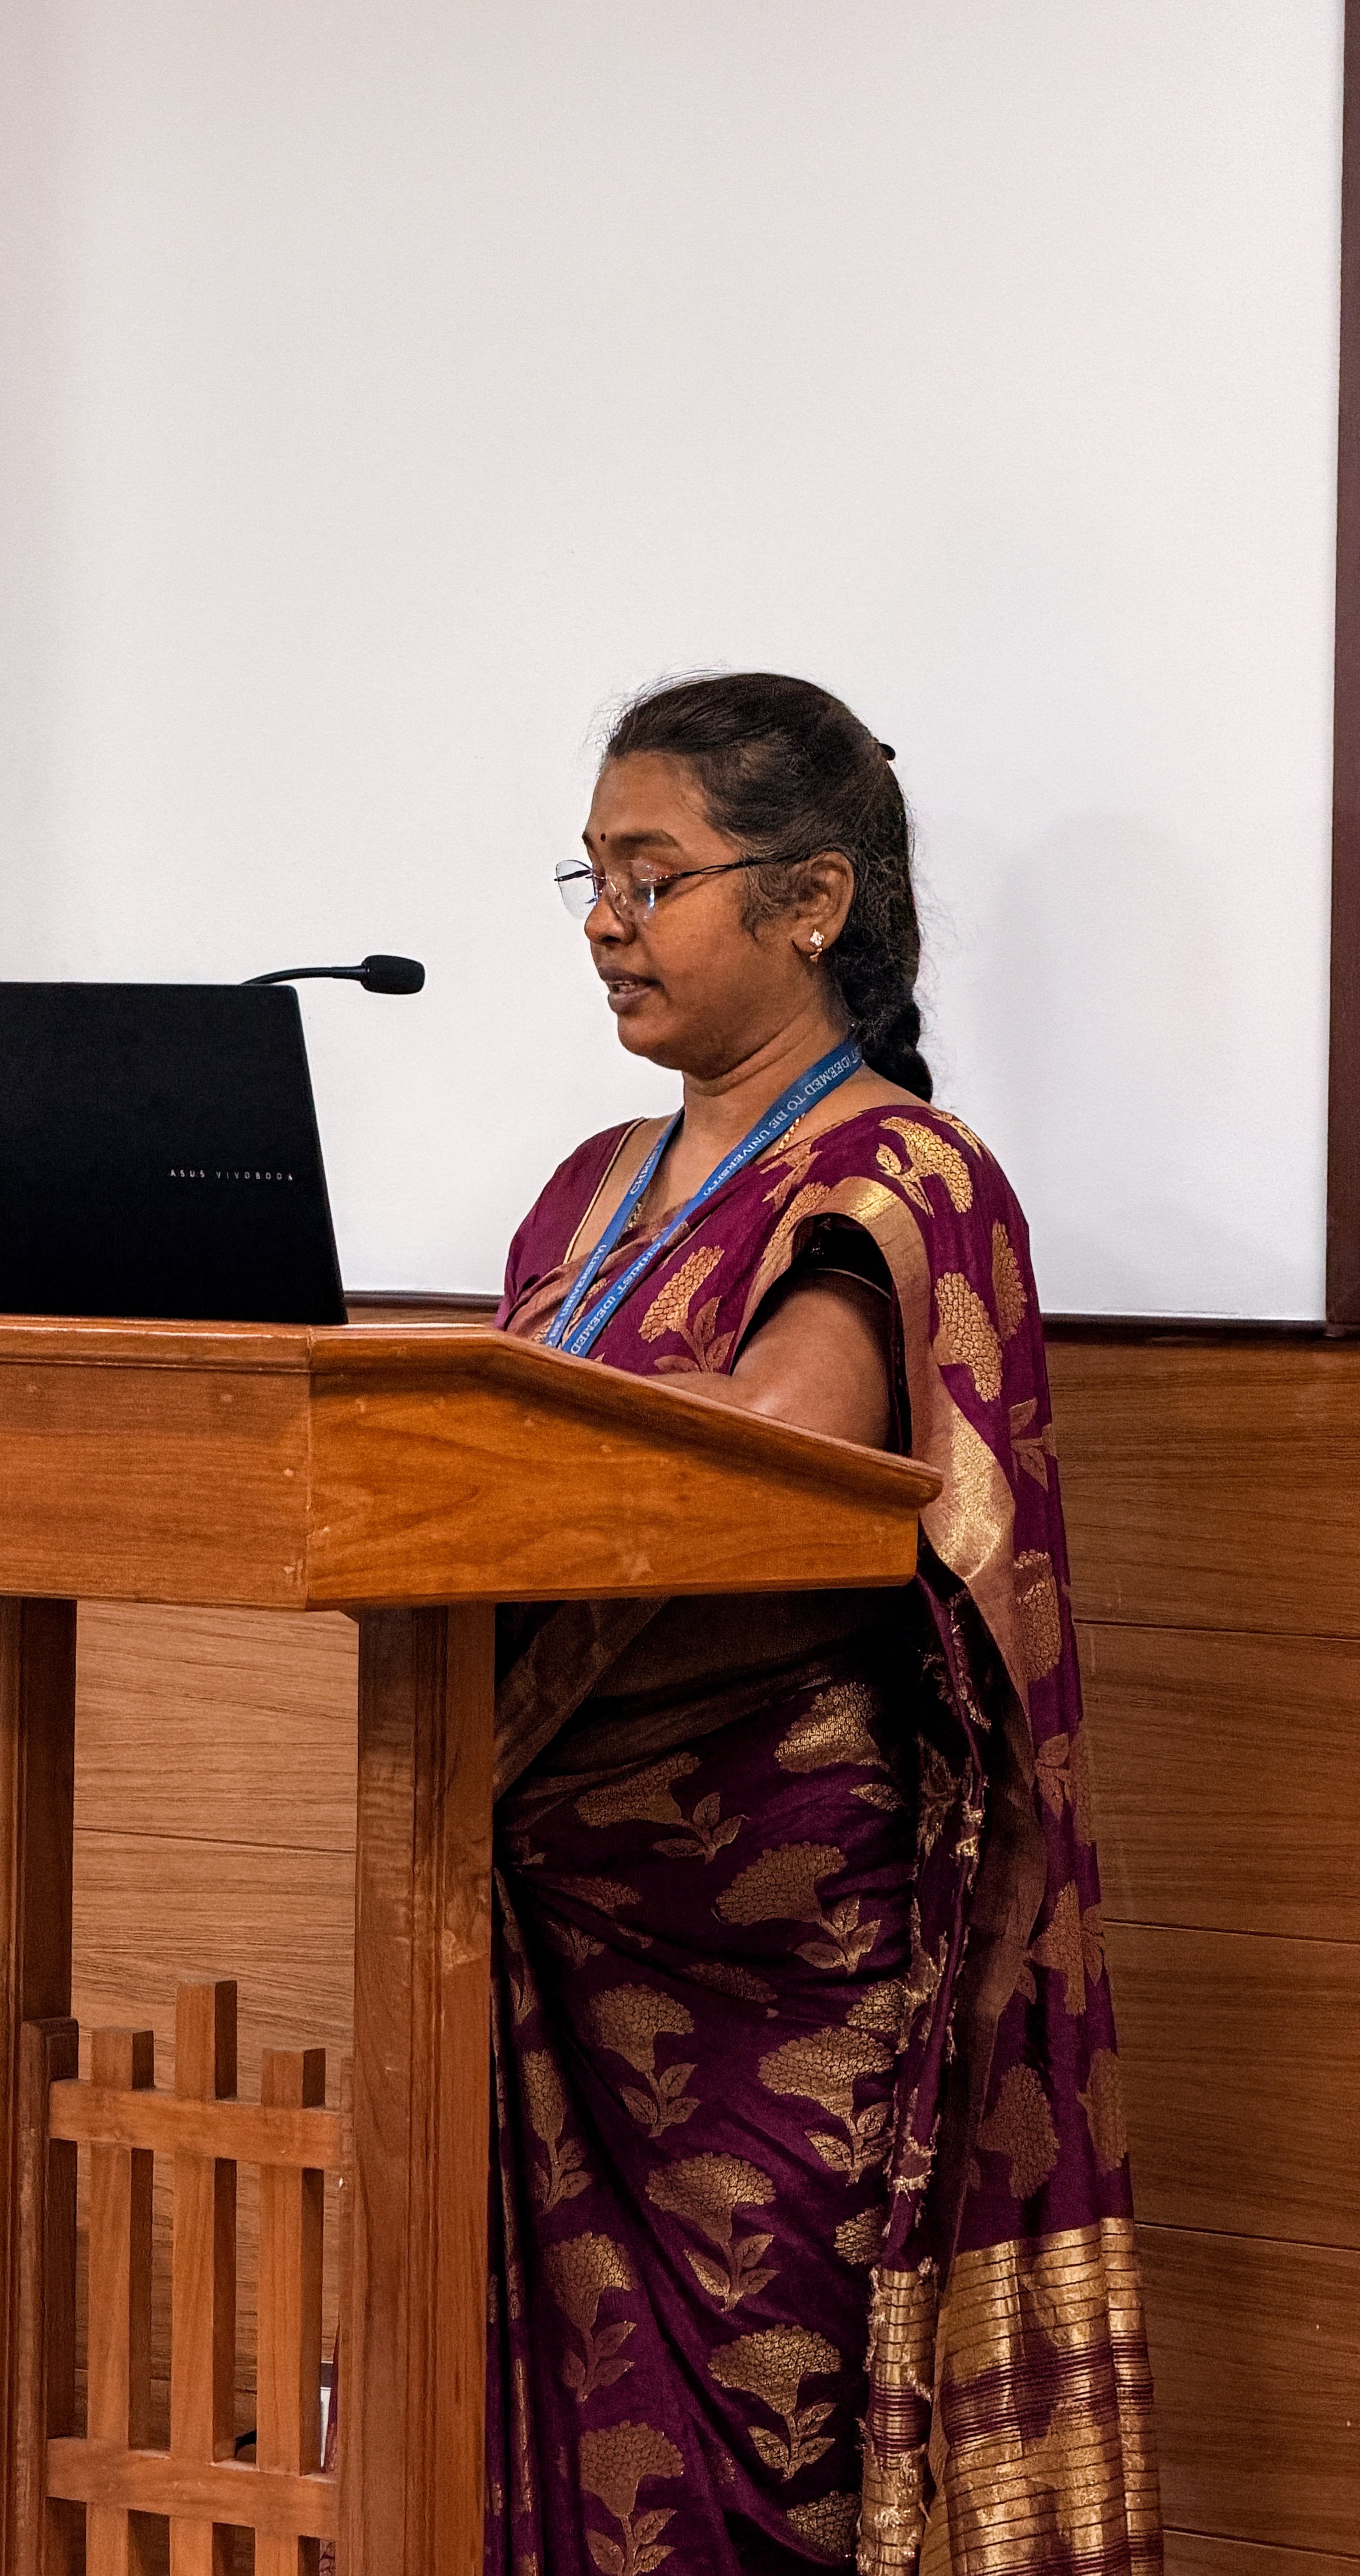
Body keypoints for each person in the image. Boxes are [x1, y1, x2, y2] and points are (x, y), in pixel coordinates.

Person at [486, 675, 1158, 2576]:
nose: (609, 919)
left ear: (811, 901)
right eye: (593, 875)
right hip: (551, 1902)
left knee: (762, 2462)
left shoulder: (894, 1172)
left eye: (654, 873)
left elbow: (793, 1427)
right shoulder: (581, 1197)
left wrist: (496, 1414)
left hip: (771, 1949)